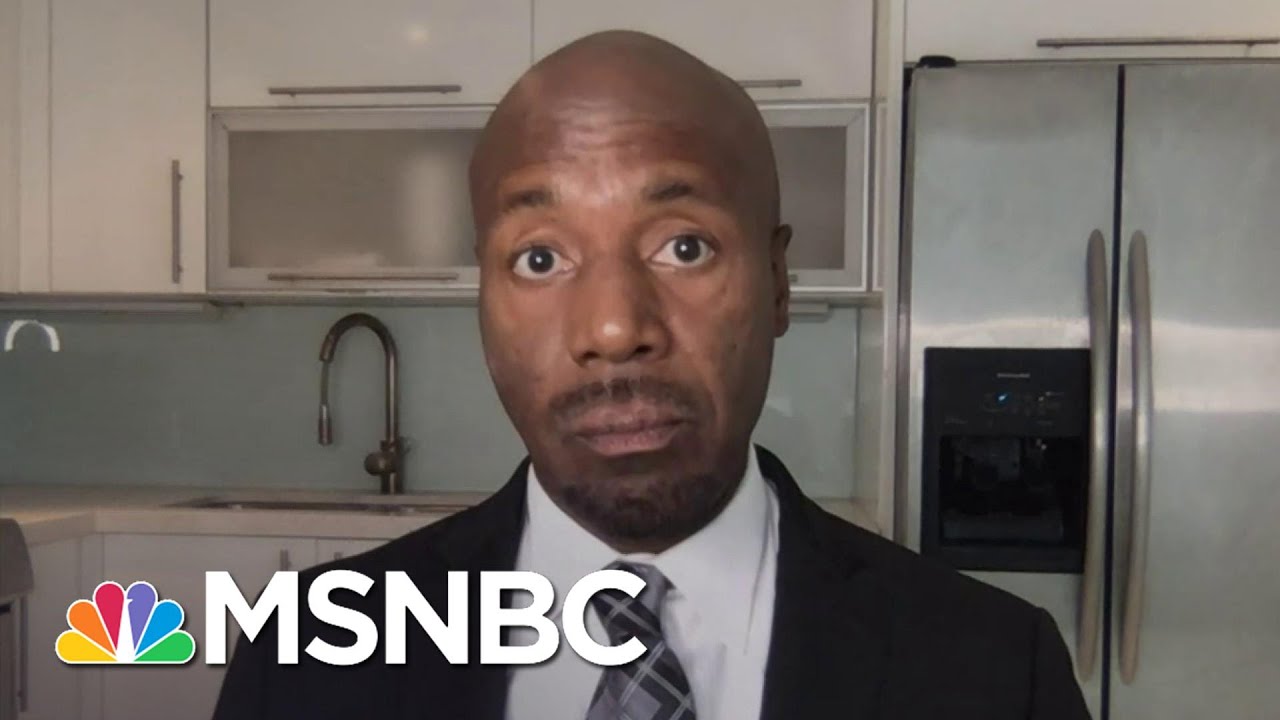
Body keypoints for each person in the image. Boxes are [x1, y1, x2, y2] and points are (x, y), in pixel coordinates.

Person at [212, 31, 1091, 720]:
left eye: (684, 247)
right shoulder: (302, 654)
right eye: (540, 258)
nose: (613, 329)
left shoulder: (996, 674)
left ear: (778, 283)